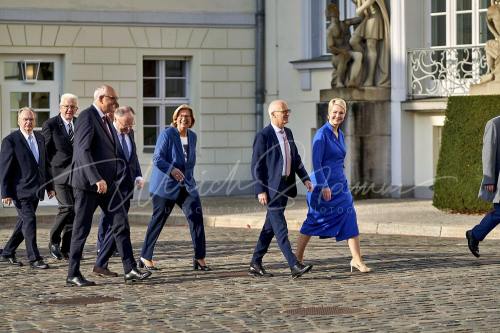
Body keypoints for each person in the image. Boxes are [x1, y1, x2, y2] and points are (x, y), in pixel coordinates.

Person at [67, 84, 150, 287]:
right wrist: (96, 178)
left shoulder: (106, 120)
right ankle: (72, 274)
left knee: (121, 224)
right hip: (88, 185)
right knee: (81, 229)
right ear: (102, 98)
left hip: (108, 186)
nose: (115, 102)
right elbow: (82, 151)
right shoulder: (87, 117)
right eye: (113, 99)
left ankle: (129, 269)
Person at [295, 98, 372, 273]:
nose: (338, 115)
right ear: (328, 113)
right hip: (323, 186)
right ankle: (297, 258)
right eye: (335, 112)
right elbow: (317, 163)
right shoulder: (321, 135)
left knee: (349, 216)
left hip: (340, 185)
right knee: (314, 221)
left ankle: (357, 260)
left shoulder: (341, 134)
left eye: (341, 113)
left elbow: (339, 161)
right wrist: (324, 186)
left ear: (345, 114)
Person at [139, 104, 211, 271]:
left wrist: (189, 178)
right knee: (158, 220)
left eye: (188, 116)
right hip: (165, 186)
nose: (184, 118)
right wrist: (172, 170)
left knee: (196, 217)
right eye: (181, 115)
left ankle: (199, 258)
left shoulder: (192, 136)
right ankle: (145, 256)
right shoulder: (167, 134)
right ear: (175, 118)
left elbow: (189, 162)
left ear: (192, 120)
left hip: (187, 185)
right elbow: (157, 158)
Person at [249, 99, 314, 279]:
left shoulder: (289, 133)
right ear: (272, 114)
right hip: (271, 189)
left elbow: (296, 159)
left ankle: (255, 262)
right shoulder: (264, 136)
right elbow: (257, 165)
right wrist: (260, 190)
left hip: (286, 186)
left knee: (269, 228)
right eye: (283, 111)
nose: (286, 114)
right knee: (280, 227)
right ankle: (293, 264)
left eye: (287, 111)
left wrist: (306, 179)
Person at [0, 107, 55, 269]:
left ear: (35, 121)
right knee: (30, 221)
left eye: (31, 119)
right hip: (19, 191)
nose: (28, 122)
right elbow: (5, 169)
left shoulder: (39, 138)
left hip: (36, 189)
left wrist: (50, 186)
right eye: (25, 119)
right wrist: (5, 192)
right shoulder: (10, 141)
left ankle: (8, 251)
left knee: (23, 222)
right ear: (18, 121)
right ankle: (34, 258)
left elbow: (45, 165)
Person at [93, 106, 144, 277]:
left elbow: (133, 156)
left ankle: (100, 263)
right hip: (112, 188)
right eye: (125, 125)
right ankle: (127, 267)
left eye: (131, 125)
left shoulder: (130, 132)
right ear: (115, 119)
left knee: (117, 227)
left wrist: (138, 175)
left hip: (127, 186)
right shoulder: (106, 135)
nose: (129, 129)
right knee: (118, 226)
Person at [42, 93, 78, 261]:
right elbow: (45, 155)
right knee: (66, 208)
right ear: (60, 107)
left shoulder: (79, 124)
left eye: (72, 107)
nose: (69, 110)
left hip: (77, 175)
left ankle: (67, 248)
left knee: (75, 212)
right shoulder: (50, 125)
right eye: (66, 106)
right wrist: (48, 183)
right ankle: (53, 242)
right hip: (58, 175)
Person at [466, 115, 500, 258]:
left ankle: (475, 234)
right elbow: (488, 154)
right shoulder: (494, 123)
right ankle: (474, 234)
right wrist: (488, 179)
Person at [349, 0, 390, 87]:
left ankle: (370, 78)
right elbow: (361, 14)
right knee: (353, 41)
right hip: (367, 19)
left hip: (375, 17)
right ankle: (364, 63)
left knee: (371, 45)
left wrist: (361, 8)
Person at [326, 3, 363, 88]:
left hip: (348, 51)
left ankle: (352, 81)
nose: (335, 16)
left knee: (359, 55)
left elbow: (358, 20)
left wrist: (363, 12)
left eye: (336, 14)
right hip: (337, 56)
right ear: (329, 17)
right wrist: (341, 51)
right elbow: (331, 48)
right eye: (333, 15)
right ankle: (339, 82)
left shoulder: (345, 23)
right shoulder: (330, 31)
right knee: (343, 56)